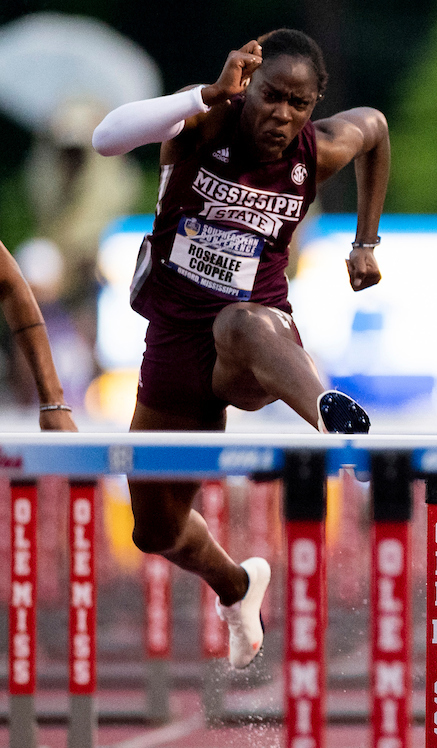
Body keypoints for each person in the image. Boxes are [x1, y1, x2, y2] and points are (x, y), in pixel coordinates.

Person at [91, 29, 389, 668]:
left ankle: (338, 423)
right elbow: (106, 138)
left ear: (313, 107)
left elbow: (377, 129)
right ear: (246, 87)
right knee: (156, 530)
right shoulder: (201, 124)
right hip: (173, 341)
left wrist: (367, 242)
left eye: (300, 104)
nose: (284, 115)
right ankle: (236, 585)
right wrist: (206, 91)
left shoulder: (320, 149)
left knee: (241, 323)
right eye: (272, 97)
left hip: (256, 347)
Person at [0, 238, 78, 431]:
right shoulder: (73, 324)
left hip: (45, 417)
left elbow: (11, 283)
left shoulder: (72, 324)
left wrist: (53, 403)